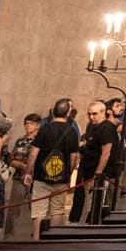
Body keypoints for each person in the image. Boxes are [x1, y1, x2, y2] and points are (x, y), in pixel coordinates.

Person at [24, 98, 78, 240]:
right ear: (68, 113)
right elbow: (73, 157)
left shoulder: (44, 129)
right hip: (61, 178)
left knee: (39, 211)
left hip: (42, 177)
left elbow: (33, 153)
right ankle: (52, 240)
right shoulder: (72, 132)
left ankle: (37, 240)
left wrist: (28, 172)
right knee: (57, 210)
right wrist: (68, 175)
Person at [75, 101, 120, 221]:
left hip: (99, 175)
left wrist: (97, 175)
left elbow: (106, 153)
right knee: (89, 205)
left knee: (95, 206)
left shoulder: (106, 129)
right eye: (89, 114)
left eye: (94, 114)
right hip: (89, 172)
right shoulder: (94, 127)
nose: (91, 117)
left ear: (103, 112)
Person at [5, 113, 40, 240]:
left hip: (35, 180)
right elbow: (11, 159)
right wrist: (20, 165)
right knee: (13, 209)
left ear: (37, 125)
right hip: (19, 177)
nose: (28, 126)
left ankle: (37, 235)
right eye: (26, 123)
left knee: (36, 209)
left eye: (31, 124)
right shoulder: (20, 141)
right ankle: (9, 235)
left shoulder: (41, 140)